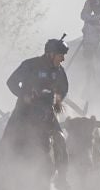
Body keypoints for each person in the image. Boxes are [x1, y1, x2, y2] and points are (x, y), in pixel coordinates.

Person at [5, 38, 72, 178]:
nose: (63, 59)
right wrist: (24, 96)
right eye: (61, 55)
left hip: (47, 112)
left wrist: (57, 99)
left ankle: (63, 179)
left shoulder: (59, 70)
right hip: (24, 110)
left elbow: (64, 88)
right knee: (7, 139)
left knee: (60, 139)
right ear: (51, 54)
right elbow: (11, 82)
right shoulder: (29, 65)